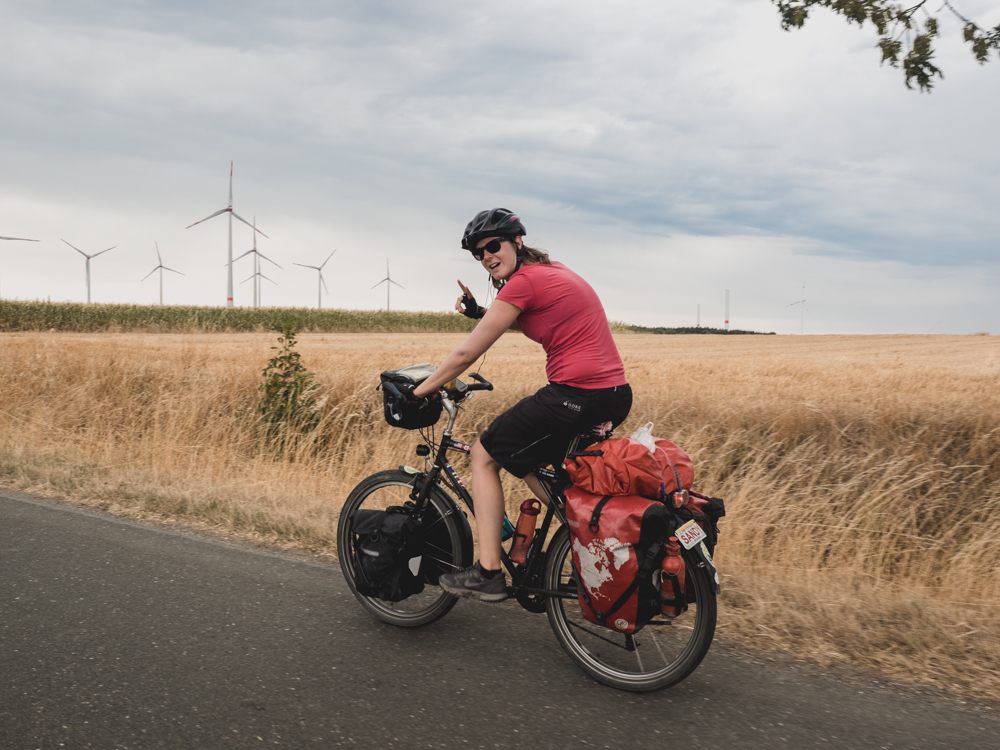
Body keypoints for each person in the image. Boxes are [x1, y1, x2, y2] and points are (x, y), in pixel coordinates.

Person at [409, 208, 632, 601]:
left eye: (493, 245)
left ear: (517, 242)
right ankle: (593, 534)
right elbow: (526, 317)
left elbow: (464, 356)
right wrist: (481, 311)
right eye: (479, 253)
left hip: (574, 395)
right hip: (612, 395)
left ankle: (488, 572)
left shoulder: (523, 282)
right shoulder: (551, 271)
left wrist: (420, 391)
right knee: (528, 460)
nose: (487, 256)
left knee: (483, 455)